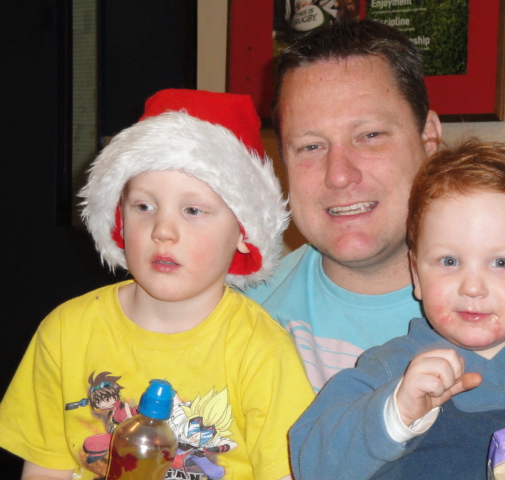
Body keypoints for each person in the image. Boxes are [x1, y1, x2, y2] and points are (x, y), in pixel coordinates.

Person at [245, 19, 505, 397]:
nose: (339, 175)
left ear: (429, 138)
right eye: (310, 146)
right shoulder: (244, 310)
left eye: (370, 135)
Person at [0, 89, 314, 480]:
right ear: (119, 218)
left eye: (193, 210)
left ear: (243, 231)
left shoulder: (263, 352)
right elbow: (45, 470)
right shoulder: (65, 334)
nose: (163, 230)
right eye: (144, 206)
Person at [289, 139, 505, 480]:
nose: (472, 287)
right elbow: (310, 463)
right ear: (416, 274)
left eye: (501, 262)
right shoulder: (390, 370)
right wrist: (397, 412)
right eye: (449, 261)